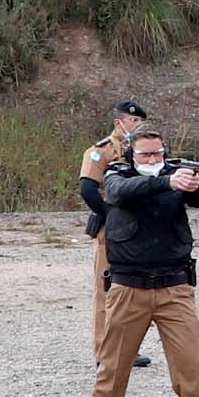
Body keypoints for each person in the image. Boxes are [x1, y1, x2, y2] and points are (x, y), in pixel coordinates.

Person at [84, 131, 199, 397]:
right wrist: (166, 182)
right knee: (113, 369)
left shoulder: (175, 173)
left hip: (174, 287)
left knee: (192, 369)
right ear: (132, 155)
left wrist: (195, 185)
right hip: (129, 287)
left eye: (157, 153)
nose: (152, 159)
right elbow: (117, 193)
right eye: (145, 155)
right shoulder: (118, 174)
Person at [77, 99, 154, 368]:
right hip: (111, 228)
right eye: (133, 122)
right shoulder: (100, 152)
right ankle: (104, 351)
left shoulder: (141, 150)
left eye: (140, 122)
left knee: (134, 289)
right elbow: (87, 189)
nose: (137, 126)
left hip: (138, 227)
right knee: (107, 289)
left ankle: (128, 349)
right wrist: (112, 218)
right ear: (118, 123)